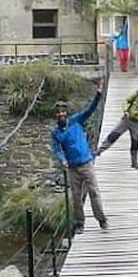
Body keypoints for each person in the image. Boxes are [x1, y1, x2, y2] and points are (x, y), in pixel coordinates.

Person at [50, 80, 108, 234]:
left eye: (63, 111)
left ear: (66, 113)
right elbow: (56, 149)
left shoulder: (76, 121)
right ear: (55, 116)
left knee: (94, 192)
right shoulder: (55, 132)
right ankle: (80, 224)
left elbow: (90, 110)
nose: (61, 114)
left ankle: (101, 219)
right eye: (58, 113)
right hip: (73, 167)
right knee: (76, 197)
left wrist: (98, 95)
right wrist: (62, 160)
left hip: (86, 163)